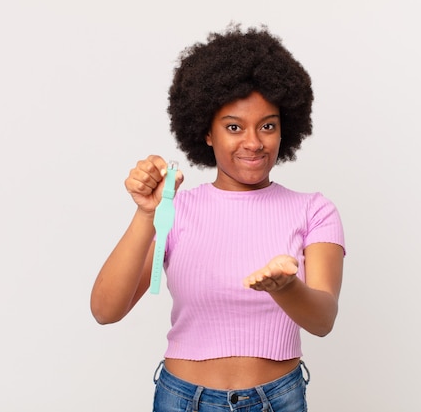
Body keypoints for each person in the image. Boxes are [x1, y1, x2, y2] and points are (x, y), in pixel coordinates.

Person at [90, 24, 345, 412]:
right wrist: (147, 214)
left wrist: (284, 287)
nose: (253, 142)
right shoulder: (177, 209)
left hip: (276, 400)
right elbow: (106, 311)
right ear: (206, 132)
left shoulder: (314, 210)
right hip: (182, 400)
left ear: (284, 129)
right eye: (233, 127)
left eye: (268, 126)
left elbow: (323, 320)